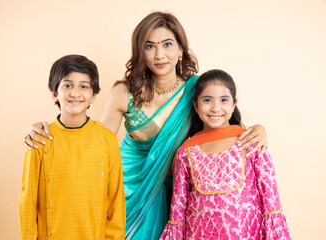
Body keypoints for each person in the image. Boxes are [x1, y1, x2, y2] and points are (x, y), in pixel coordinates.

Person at [24, 12, 268, 240]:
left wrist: (258, 129)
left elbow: (224, 128)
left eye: (167, 44)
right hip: (130, 193)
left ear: (181, 48)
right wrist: (50, 129)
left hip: (181, 194)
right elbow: (96, 144)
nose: (159, 55)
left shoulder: (195, 90)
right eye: (150, 46)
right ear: (140, 51)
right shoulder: (124, 92)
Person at [160, 69, 291, 239]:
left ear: (233, 104)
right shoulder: (186, 153)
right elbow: (178, 213)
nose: (215, 108)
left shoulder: (251, 142)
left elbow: (271, 204)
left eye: (224, 100)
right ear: (195, 105)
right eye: (207, 100)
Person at [19, 55, 126, 239]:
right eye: (67, 85)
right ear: (54, 93)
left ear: (93, 96)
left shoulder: (107, 139)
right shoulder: (40, 139)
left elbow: (116, 203)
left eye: (83, 86)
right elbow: (28, 200)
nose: (75, 93)